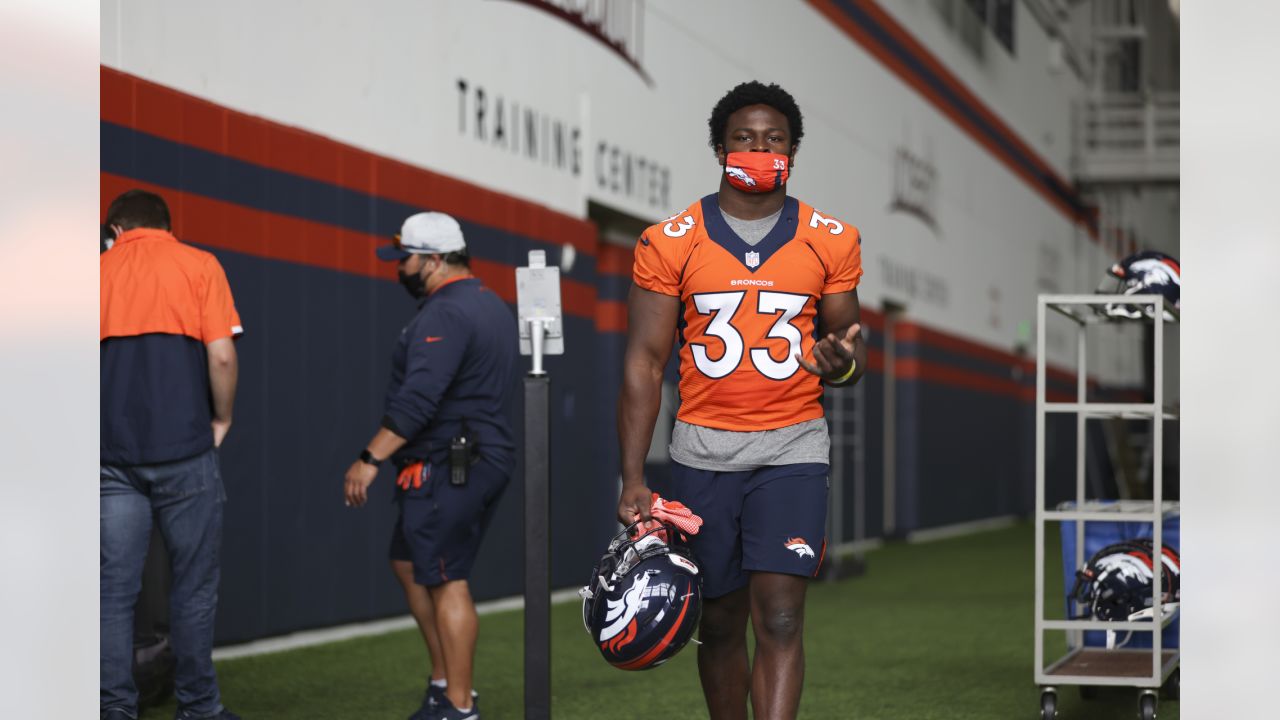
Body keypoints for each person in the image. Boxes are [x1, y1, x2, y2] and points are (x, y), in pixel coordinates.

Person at [617, 81, 868, 720]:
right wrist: (633, 476)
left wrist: (840, 365)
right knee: (722, 623)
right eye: (744, 138)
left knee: (781, 617)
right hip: (702, 452)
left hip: (793, 446)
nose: (759, 149)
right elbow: (644, 362)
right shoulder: (669, 240)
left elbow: (850, 356)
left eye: (774, 139)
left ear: (793, 150)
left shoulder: (830, 238)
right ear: (720, 148)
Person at [343, 212, 518, 720]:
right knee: (408, 560)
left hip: (453, 460)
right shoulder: (489, 303)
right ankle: (445, 682)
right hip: (471, 455)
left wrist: (369, 457)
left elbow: (419, 398)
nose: (400, 268)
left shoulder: (445, 313)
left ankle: (458, 705)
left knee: (446, 577)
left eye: (407, 259)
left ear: (435, 260)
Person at [100, 189, 243, 720]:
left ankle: (114, 709)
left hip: (110, 459)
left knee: (113, 592)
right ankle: (200, 708)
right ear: (167, 226)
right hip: (185, 450)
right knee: (193, 587)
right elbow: (222, 356)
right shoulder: (200, 265)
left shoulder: (95, 272)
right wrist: (222, 419)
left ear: (115, 230)